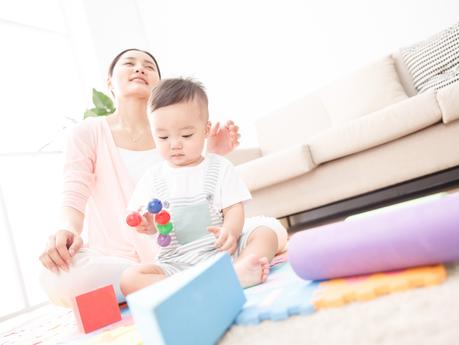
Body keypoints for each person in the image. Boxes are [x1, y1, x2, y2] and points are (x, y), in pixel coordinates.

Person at [39, 49, 288, 307]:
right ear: (110, 82)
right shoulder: (87, 132)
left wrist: (210, 151)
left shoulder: (179, 139)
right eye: (129, 63)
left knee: (268, 227)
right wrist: (68, 230)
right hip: (135, 261)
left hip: (198, 249)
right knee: (55, 274)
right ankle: (211, 279)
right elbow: (74, 192)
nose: (139, 68)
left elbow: (203, 191)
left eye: (148, 65)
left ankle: (183, 285)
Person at [120, 78, 285, 295]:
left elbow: (234, 208)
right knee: (129, 279)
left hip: (223, 256)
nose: (175, 144)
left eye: (186, 135)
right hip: (176, 265)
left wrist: (231, 231)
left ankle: (238, 272)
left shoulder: (218, 167)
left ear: (205, 130)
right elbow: (148, 225)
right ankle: (192, 286)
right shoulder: (152, 178)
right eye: (163, 137)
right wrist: (147, 226)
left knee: (266, 233)